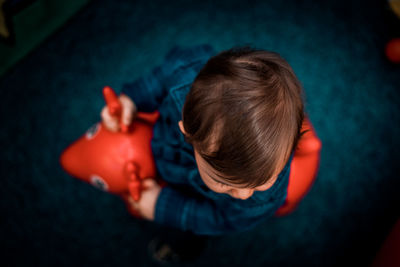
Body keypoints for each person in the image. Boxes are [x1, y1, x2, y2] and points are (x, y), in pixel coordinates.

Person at [101, 44, 304, 263]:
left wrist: (163, 207)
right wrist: (132, 99)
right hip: (163, 150)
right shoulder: (185, 76)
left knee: (190, 230)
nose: (246, 195)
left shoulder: (262, 198)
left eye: (265, 179)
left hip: (195, 199)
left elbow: (222, 218)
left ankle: (182, 250)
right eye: (226, 182)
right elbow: (164, 75)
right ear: (188, 131)